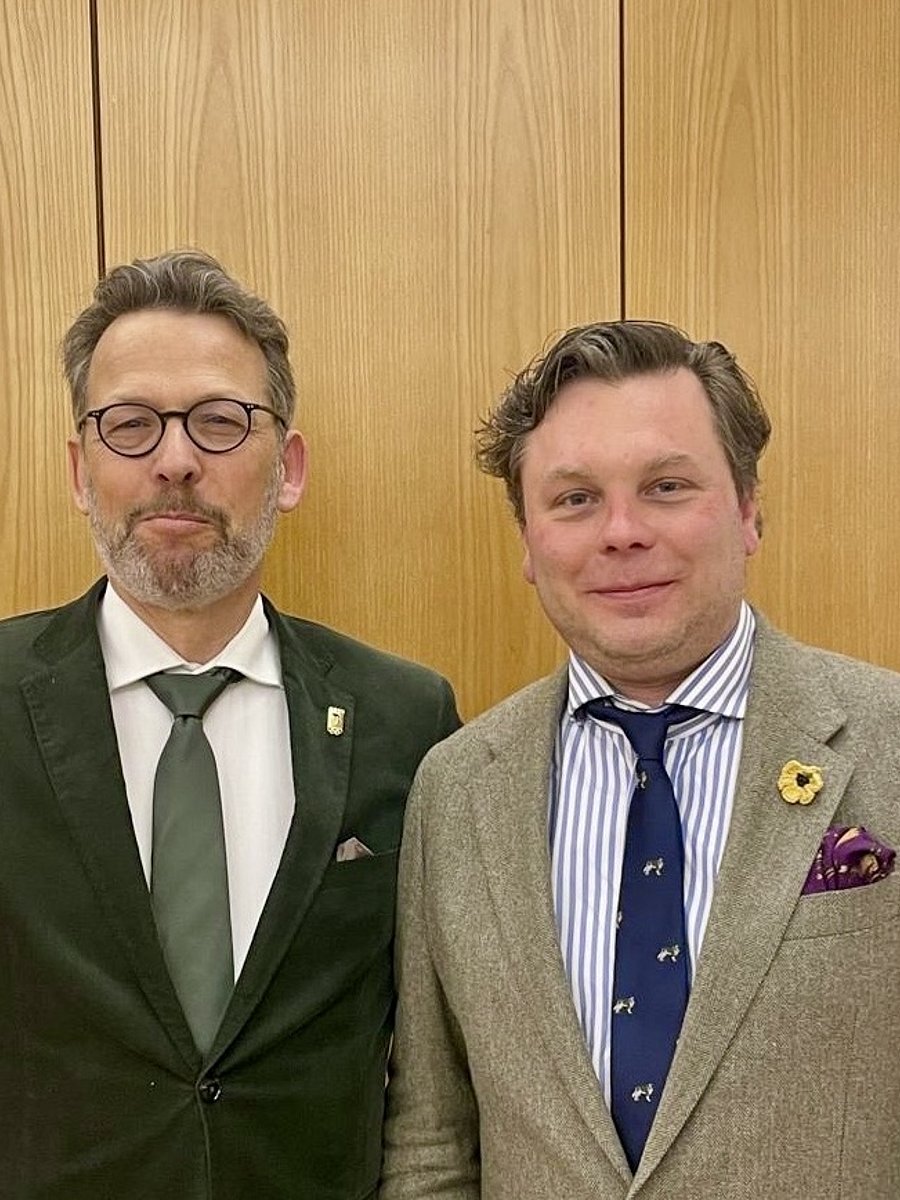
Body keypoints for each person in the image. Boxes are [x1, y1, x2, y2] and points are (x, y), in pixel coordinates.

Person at [379, 320, 900, 1198]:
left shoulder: (887, 739)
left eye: (666, 487)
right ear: (528, 543)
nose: (621, 532)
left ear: (748, 510)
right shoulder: (458, 789)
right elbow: (432, 1139)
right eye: (575, 499)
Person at [0, 249, 460, 1200]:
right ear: (81, 472)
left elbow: (435, 1062)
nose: (175, 460)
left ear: (288, 468)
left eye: (219, 421)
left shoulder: (406, 720)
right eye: (131, 424)